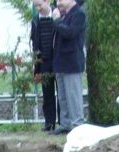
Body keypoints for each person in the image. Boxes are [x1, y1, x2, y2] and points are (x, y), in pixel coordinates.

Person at [49, 0, 86, 135]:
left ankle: (77, 125)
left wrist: (57, 21)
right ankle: (65, 124)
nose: (58, 2)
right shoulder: (64, 14)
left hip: (72, 62)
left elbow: (69, 33)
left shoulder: (79, 14)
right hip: (60, 61)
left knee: (73, 96)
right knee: (63, 97)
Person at [31, 0, 57, 132]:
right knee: (47, 94)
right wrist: (37, 67)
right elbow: (35, 44)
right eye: (36, 6)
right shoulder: (35, 21)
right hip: (44, 62)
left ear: (47, 1)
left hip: (58, 59)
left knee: (62, 93)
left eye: (40, 5)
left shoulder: (57, 15)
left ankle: (64, 122)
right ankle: (50, 123)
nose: (38, 8)